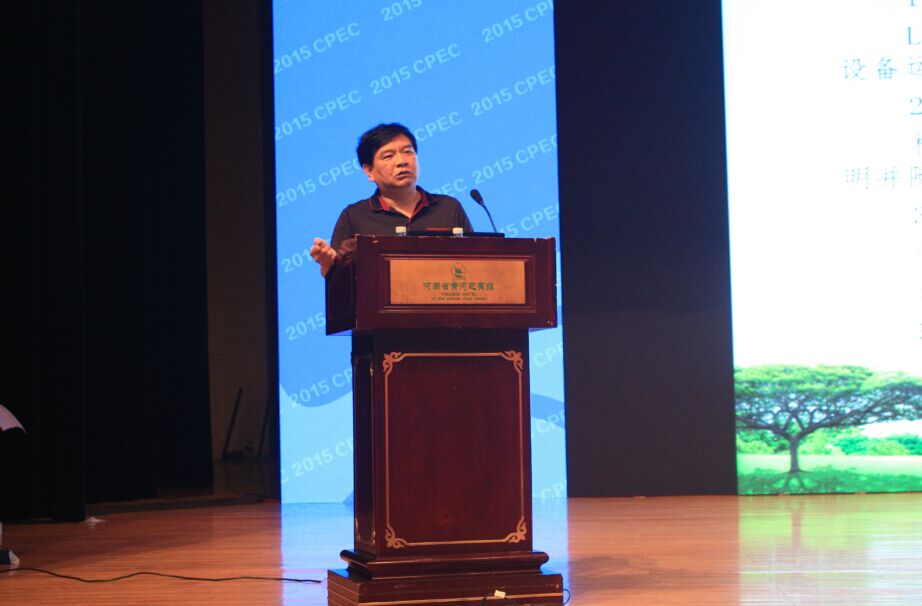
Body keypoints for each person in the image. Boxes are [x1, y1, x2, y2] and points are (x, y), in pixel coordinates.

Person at [309, 123, 473, 276]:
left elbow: (475, 262)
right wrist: (328, 264)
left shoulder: (448, 208)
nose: (402, 161)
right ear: (369, 171)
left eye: (408, 152)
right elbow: (338, 279)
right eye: (388, 156)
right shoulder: (354, 216)